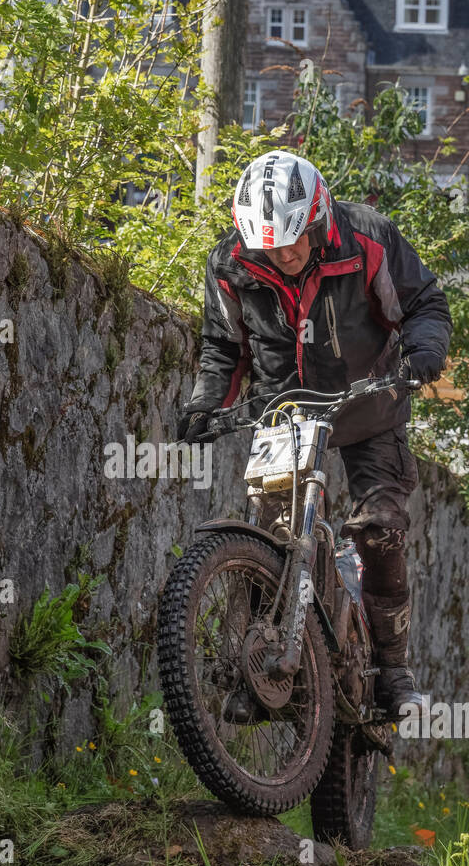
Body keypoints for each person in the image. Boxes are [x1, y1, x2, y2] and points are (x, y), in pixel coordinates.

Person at [177, 149, 452, 717]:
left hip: (370, 405)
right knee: (269, 534)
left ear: (319, 216)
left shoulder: (368, 237)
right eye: (269, 247)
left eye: (293, 241)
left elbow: (424, 302)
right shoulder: (229, 265)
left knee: (380, 529)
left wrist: (424, 350)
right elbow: (223, 348)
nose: (283, 255)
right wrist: (206, 404)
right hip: (287, 413)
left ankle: (393, 669)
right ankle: (261, 664)